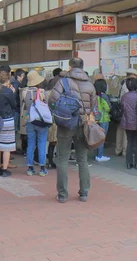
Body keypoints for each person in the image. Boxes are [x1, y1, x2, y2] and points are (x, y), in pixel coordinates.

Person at [49, 58, 96, 203]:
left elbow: (52, 100)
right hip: (83, 124)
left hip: (66, 124)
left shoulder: (63, 82)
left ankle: (62, 194)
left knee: (62, 158)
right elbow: (94, 107)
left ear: (70, 66)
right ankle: (84, 193)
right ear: (82, 67)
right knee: (82, 159)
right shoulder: (90, 84)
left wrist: (60, 113)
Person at [20, 70, 50, 177]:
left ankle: (30, 168)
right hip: (41, 121)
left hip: (30, 121)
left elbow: (23, 107)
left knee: (31, 144)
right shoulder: (42, 92)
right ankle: (42, 168)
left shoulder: (24, 92)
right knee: (41, 143)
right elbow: (47, 106)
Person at [0, 76, 17, 177]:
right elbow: (14, 105)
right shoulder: (8, 91)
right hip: (8, 119)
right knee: (7, 146)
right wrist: (13, 92)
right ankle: (4, 169)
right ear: (7, 81)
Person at [115, 68, 137, 158]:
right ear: (133, 75)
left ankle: (118, 149)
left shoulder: (122, 83)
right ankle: (125, 151)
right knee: (126, 131)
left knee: (120, 130)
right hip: (127, 111)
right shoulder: (128, 84)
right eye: (136, 76)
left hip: (121, 109)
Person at [120, 78, 137, 169]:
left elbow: (122, 108)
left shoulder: (124, 97)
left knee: (129, 142)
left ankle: (129, 163)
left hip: (127, 122)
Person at [94, 78, 111, 163]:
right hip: (104, 119)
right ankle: (100, 156)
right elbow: (108, 108)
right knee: (102, 138)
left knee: (97, 137)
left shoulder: (93, 95)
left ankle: (97, 154)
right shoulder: (103, 96)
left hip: (95, 119)